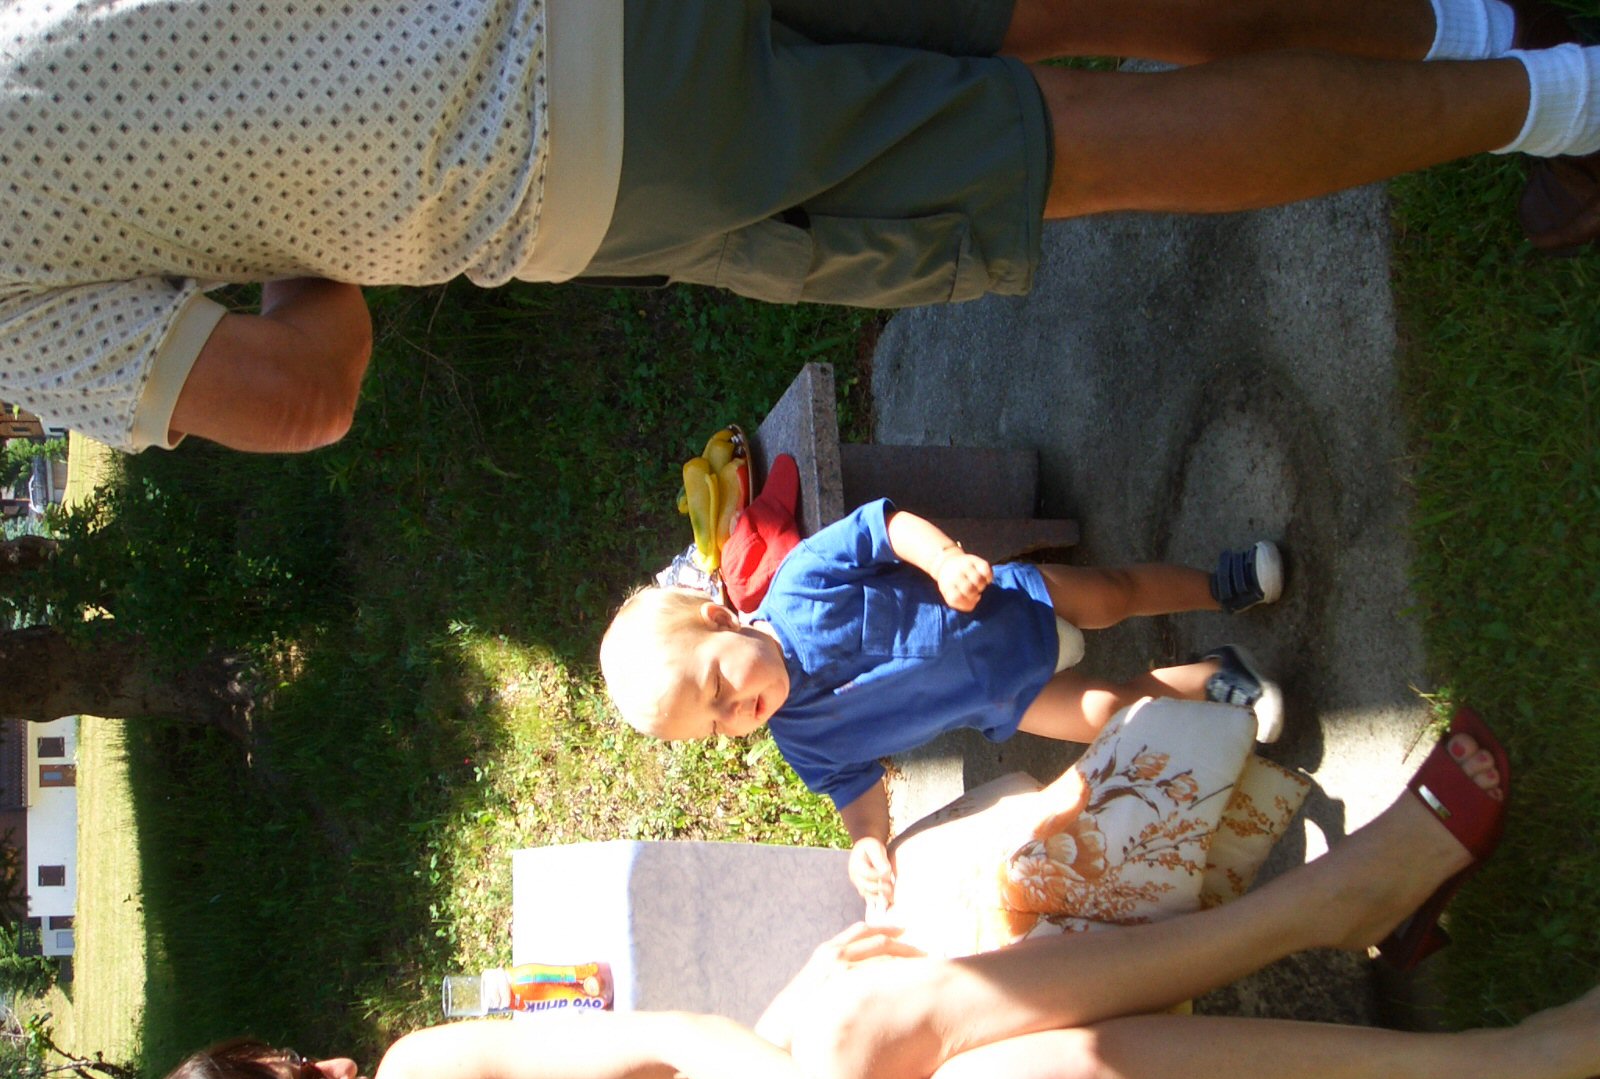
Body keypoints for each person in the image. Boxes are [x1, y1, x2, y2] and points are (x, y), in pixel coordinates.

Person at [4, 0, 1599, 455]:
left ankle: (1569, 97)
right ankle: (1477, 23)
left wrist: (293, 235)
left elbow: (299, 393)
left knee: (1081, 142)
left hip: (591, 152)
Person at [112, 713, 1600, 1079]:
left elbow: (682, 1045)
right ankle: (1347, 923)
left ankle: (1497, 1062)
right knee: (879, 1041)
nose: (336, 1065)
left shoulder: (432, 1073)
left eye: (295, 1057)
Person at [601, 499, 1285, 907]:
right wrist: (867, 840)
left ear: (721, 619)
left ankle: (1218, 585)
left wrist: (944, 560)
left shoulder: (803, 582)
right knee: (1109, 715)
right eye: (714, 728)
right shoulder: (804, 741)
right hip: (1006, 697)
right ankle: (1215, 676)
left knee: (1115, 593)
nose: (735, 716)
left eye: (718, 690)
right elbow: (854, 789)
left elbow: (885, 526)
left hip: (1009, 603)